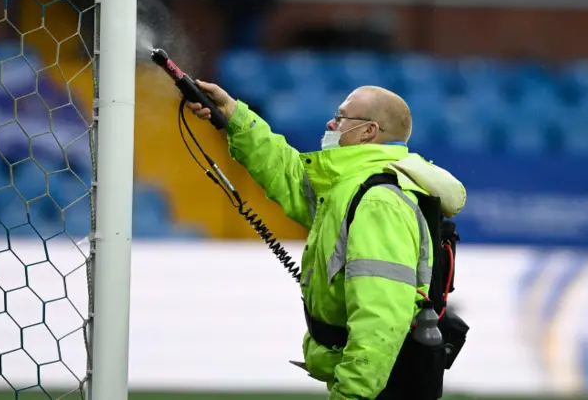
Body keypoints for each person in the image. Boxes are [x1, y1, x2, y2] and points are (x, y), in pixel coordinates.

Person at [187, 81, 467, 400]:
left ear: (368, 131)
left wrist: (352, 393)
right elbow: (289, 175)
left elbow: (381, 316)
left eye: (342, 116)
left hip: (382, 385)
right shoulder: (352, 187)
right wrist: (233, 114)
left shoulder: (378, 202)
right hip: (383, 378)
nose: (331, 123)